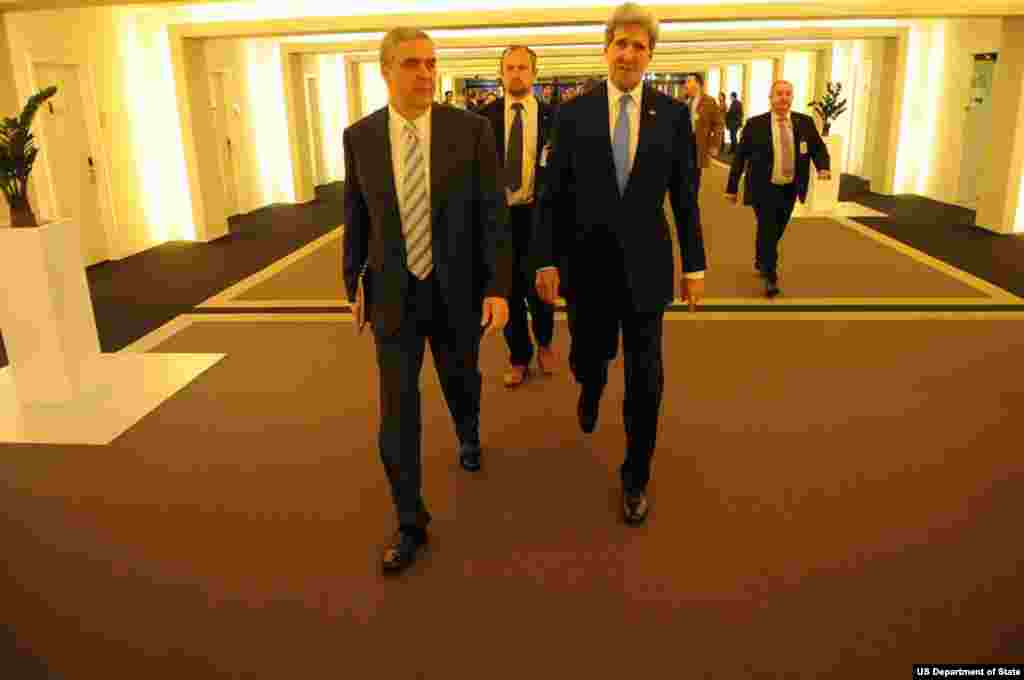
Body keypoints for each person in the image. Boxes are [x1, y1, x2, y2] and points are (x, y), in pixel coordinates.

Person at [342, 27, 513, 573]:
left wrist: (497, 288)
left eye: (431, 63)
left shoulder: (471, 131)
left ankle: (468, 430)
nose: (424, 73)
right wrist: (354, 286)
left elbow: (493, 215)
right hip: (394, 295)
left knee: (460, 379)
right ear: (386, 71)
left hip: (456, 290)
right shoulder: (361, 137)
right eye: (412, 63)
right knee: (398, 409)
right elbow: (356, 217)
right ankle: (410, 520)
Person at [532, 2, 706, 526]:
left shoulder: (673, 117)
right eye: (621, 44)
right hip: (586, 266)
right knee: (590, 354)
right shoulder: (572, 114)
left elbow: (685, 198)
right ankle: (589, 384)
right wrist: (545, 259)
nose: (629, 54)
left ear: (650, 56)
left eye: (640, 46)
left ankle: (636, 476)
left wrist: (694, 266)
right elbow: (551, 195)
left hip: (648, 269)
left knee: (647, 378)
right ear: (606, 49)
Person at [479, 46, 558, 388]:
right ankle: (518, 357)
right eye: (509, 68)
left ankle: (545, 342)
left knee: (540, 290)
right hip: (499, 220)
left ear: (534, 74)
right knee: (506, 292)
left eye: (522, 68)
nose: (516, 74)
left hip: (538, 217)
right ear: (501, 74)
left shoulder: (555, 118)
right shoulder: (483, 119)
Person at [725, 80, 831, 297]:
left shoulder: (804, 122)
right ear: (770, 98)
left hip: (790, 186)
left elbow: (818, 148)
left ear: (792, 98)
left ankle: (761, 258)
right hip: (763, 187)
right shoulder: (755, 124)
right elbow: (740, 157)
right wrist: (732, 187)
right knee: (767, 227)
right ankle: (770, 275)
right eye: (779, 94)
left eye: (788, 94)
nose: (784, 98)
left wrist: (823, 167)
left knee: (776, 228)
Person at [684, 73, 724, 194]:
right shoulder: (684, 100)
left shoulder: (709, 101)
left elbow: (718, 124)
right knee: (683, 173)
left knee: (695, 174)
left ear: (698, 84)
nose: (686, 84)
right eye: (686, 82)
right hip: (683, 142)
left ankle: (693, 196)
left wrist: (714, 144)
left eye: (689, 81)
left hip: (699, 142)